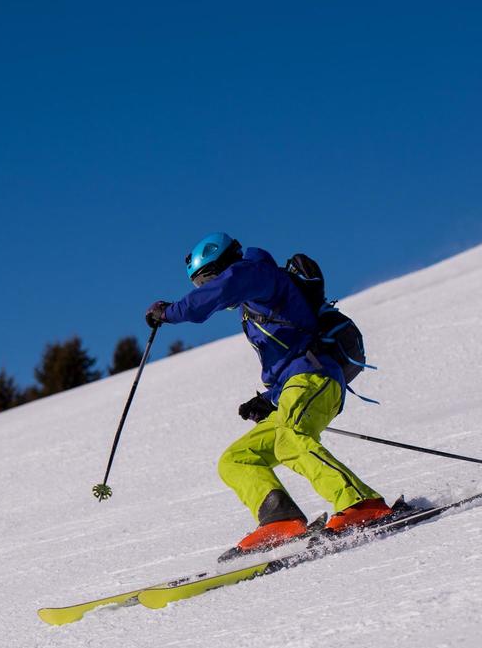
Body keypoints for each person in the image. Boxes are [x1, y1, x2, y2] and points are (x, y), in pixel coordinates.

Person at [147, 232, 391, 552]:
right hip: (292, 386)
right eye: (198, 286)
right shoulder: (252, 304)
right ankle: (280, 520)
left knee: (290, 439)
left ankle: (362, 504)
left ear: (220, 268)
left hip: (315, 378)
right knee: (236, 459)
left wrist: (169, 312)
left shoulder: (253, 272)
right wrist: (269, 399)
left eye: (205, 281)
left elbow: (215, 296)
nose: (204, 290)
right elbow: (287, 353)